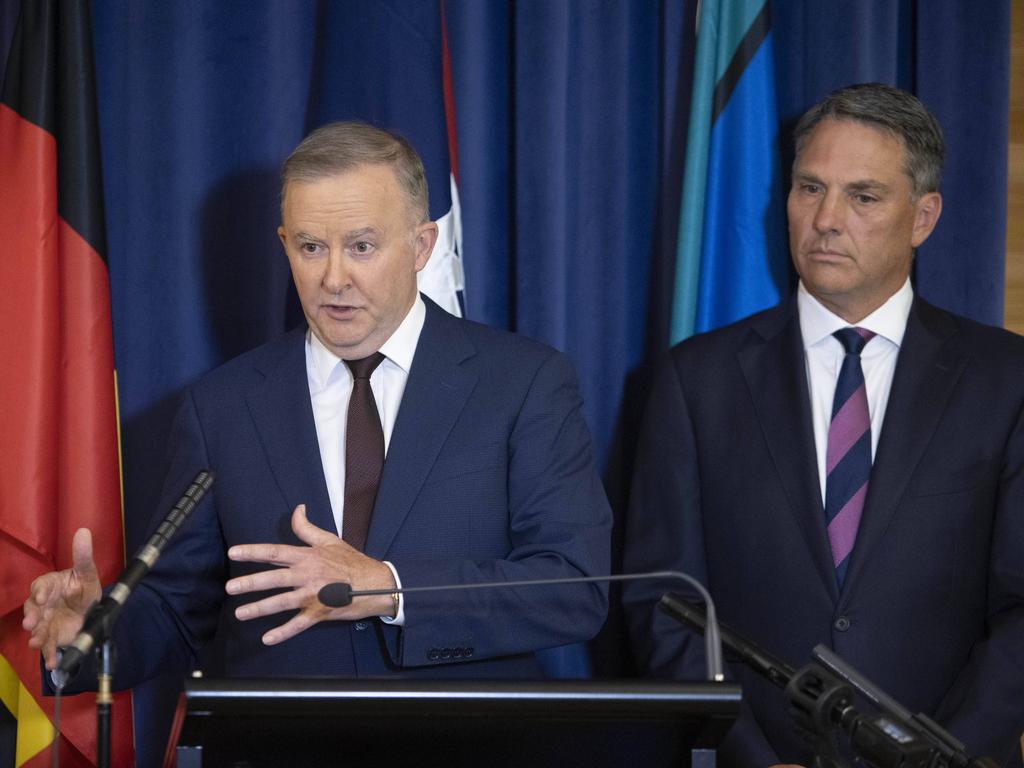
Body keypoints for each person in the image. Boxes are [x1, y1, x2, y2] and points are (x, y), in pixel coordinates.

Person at [24, 121, 611, 683]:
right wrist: (95, 634)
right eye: (310, 246)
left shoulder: (523, 382)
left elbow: (573, 588)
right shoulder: (221, 406)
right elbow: (181, 608)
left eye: (361, 246)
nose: (333, 278)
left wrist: (389, 586)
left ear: (421, 245)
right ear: (285, 244)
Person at [623, 83, 1024, 767]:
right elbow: (664, 605)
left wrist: (933, 758)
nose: (826, 219)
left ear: (923, 217)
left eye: (862, 197)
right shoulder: (696, 381)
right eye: (810, 189)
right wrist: (749, 755)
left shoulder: (1007, 379)